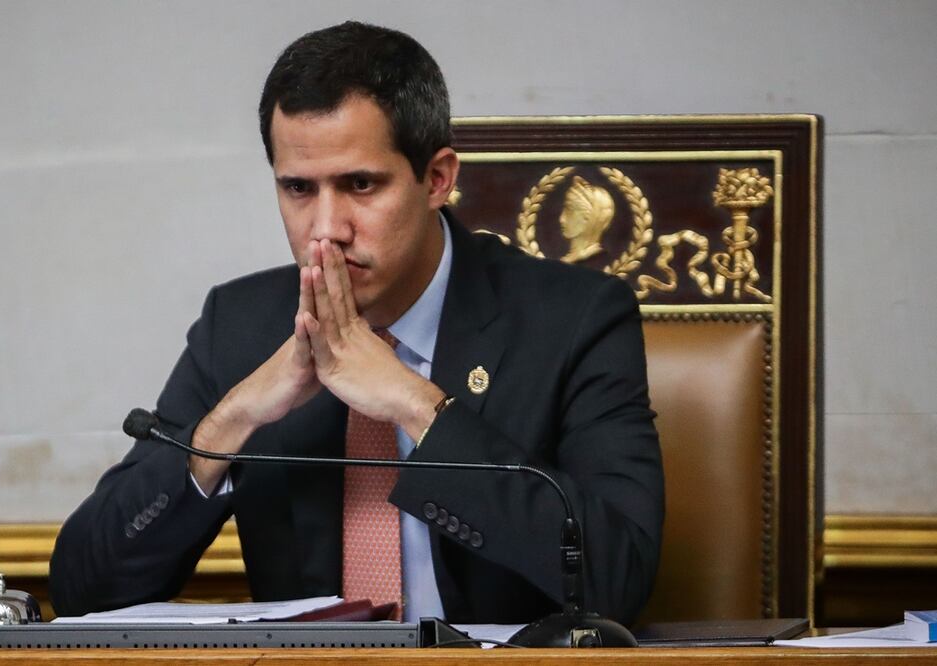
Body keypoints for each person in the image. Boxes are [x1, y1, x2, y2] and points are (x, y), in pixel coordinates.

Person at [50, 21, 664, 626]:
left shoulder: (573, 319)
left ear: (437, 179)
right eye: (297, 188)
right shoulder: (239, 326)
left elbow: (618, 576)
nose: (326, 228)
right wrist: (235, 417)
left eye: (361, 184)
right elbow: (83, 589)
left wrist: (415, 404)